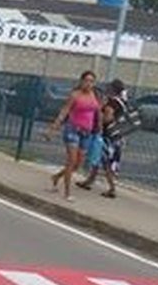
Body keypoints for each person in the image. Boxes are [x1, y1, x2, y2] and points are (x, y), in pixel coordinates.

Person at [45, 70, 101, 201]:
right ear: (81, 81)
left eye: (91, 81)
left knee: (78, 164)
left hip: (86, 132)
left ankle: (57, 177)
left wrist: (99, 128)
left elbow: (97, 112)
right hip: (73, 130)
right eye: (86, 80)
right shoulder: (75, 95)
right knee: (71, 160)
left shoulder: (94, 95)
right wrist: (53, 128)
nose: (89, 83)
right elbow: (64, 111)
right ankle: (67, 193)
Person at [78, 79, 132, 199]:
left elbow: (108, 117)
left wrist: (99, 115)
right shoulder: (123, 102)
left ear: (112, 89)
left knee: (106, 161)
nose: (107, 89)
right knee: (99, 159)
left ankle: (112, 188)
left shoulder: (112, 102)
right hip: (118, 136)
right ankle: (90, 180)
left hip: (108, 136)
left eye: (109, 87)